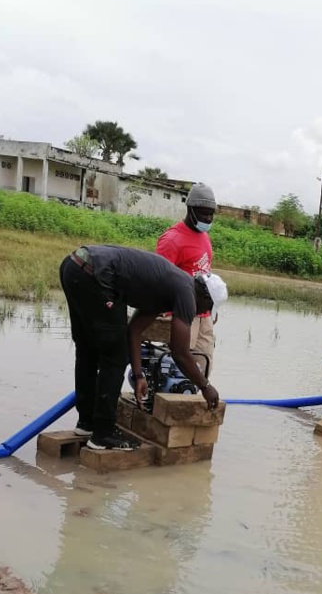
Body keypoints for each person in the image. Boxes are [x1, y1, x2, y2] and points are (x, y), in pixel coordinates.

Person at [59, 244, 219, 451]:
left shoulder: (169, 287)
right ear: (205, 297)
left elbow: (134, 331)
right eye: (207, 308)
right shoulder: (187, 293)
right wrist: (205, 386)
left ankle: (87, 423)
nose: (202, 312)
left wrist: (138, 374)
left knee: (87, 350)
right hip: (96, 274)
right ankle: (103, 434)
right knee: (115, 357)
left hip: (73, 266)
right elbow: (180, 352)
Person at [156, 181, 218, 375]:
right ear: (190, 209)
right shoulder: (172, 240)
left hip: (204, 317)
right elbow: (158, 280)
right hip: (182, 316)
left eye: (211, 214)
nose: (208, 218)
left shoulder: (204, 236)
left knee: (203, 367)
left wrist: (212, 306)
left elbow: (205, 272)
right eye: (203, 213)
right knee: (177, 371)